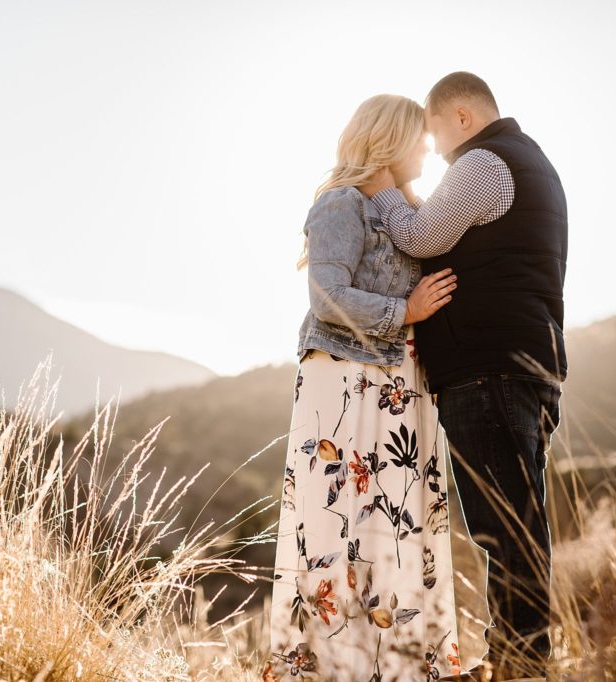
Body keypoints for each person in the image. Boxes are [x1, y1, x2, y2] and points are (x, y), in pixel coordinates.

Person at [362, 72, 568, 680]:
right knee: (513, 522)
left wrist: (385, 186)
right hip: (514, 367)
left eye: (434, 136)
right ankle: (516, 658)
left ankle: (523, 665)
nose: (435, 156)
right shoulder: (527, 163)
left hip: (488, 372)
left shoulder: (483, 161)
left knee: (505, 527)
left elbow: (423, 237)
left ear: (460, 115)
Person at [266, 94, 468, 681]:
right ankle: (333, 667)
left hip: (401, 386)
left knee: (396, 528)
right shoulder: (339, 203)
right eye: (419, 139)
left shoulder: (407, 210)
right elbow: (327, 298)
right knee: (339, 522)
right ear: (389, 140)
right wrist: (404, 310)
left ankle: (399, 666)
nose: (429, 150)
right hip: (347, 380)